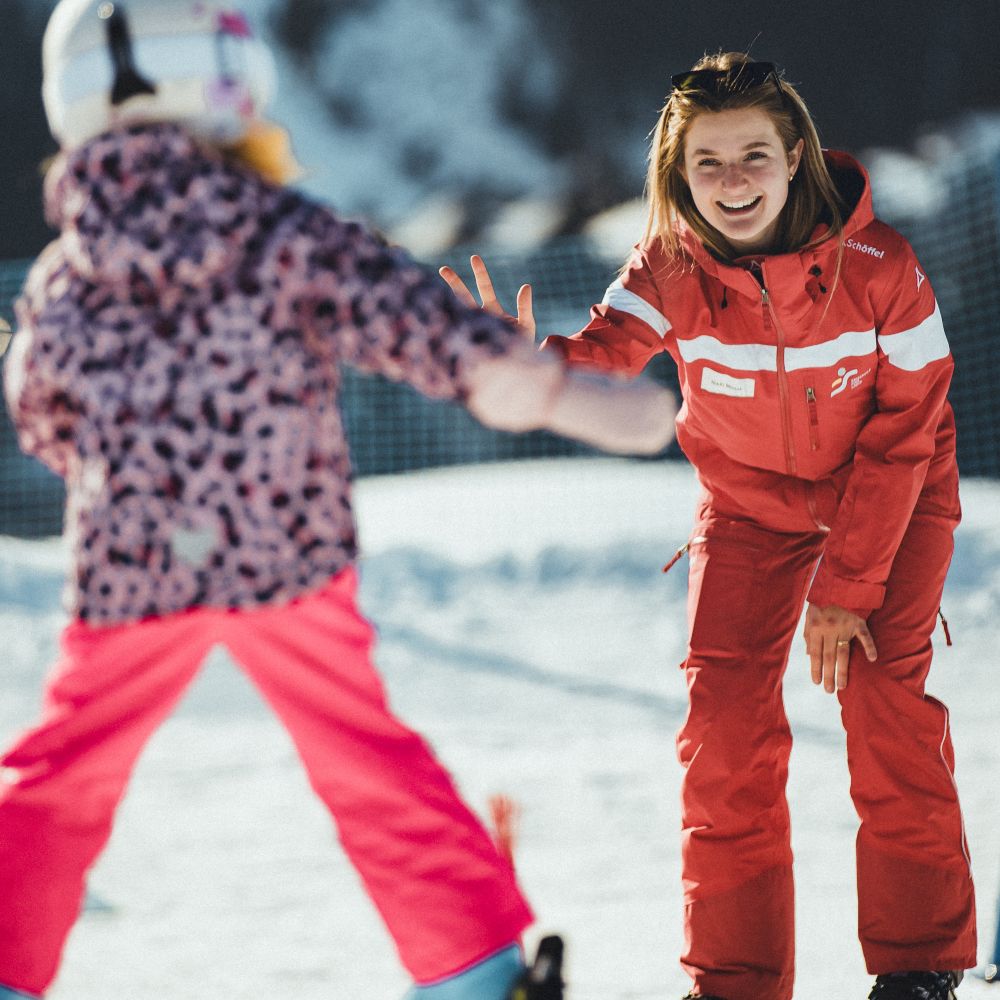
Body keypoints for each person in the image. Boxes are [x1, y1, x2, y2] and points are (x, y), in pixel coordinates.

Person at [0, 2, 676, 999]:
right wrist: (550, 390)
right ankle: (474, 971)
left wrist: (120, 484)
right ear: (222, 86)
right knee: (364, 759)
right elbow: (411, 318)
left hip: (131, 561)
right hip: (283, 552)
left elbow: (38, 408)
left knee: (60, 778)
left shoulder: (65, 277)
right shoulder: (279, 231)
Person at [441, 51, 975, 1000]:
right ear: (678, 177)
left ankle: (920, 966)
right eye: (708, 164)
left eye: (753, 157)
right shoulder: (671, 267)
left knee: (884, 706)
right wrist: (521, 365)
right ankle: (734, 982)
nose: (733, 184)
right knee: (724, 733)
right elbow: (605, 355)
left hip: (886, 496)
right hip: (750, 507)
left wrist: (845, 592)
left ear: (796, 154)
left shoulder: (882, 268)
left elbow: (909, 433)